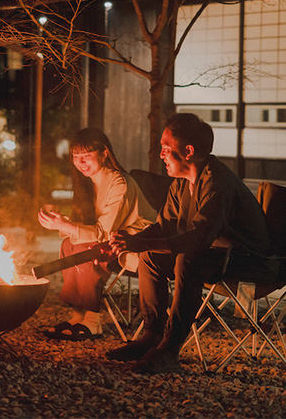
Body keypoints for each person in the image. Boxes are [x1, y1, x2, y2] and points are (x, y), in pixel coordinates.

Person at [108, 113, 271, 373]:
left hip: (250, 260)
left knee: (188, 257)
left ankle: (170, 349)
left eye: (165, 148)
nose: (161, 155)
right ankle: (151, 335)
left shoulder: (217, 182)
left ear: (188, 151)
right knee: (150, 256)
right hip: (215, 253)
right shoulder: (181, 184)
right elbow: (164, 226)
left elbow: (198, 238)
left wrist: (139, 243)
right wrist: (132, 241)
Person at [37, 127, 156, 341]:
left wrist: (62, 225)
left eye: (87, 156)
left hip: (138, 240)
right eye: (76, 157)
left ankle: (93, 322)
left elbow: (103, 233)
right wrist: (63, 224)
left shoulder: (119, 182)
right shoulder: (87, 182)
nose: (81, 162)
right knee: (68, 245)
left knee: (91, 249)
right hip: (114, 237)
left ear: (104, 154)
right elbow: (92, 227)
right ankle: (77, 317)